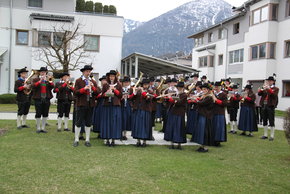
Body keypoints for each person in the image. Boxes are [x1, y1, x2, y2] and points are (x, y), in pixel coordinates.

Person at [73, 65, 99, 147]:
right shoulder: (78, 81)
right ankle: (76, 139)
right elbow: (75, 92)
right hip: (81, 103)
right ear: (83, 72)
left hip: (90, 104)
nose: (88, 73)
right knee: (79, 122)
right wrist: (84, 89)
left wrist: (93, 88)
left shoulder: (93, 82)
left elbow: (98, 92)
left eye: (89, 71)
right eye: (87, 71)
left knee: (88, 122)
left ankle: (87, 140)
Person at [100, 70, 123, 147]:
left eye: (113, 76)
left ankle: (113, 140)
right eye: (110, 76)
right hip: (107, 105)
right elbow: (102, 95)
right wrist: (107, 93)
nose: (111, 78)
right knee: (107, 122)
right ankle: (107, 139)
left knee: (114, 122)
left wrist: (114, 90)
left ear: (115, 77)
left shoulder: (119, 85)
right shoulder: (105, 85)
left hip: (115, 106)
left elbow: (120, 95)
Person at [130, 78, 155, 147]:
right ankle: (138, 141)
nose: (145, 86)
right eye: (144, 84)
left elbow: (148, 98)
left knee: (145, 126)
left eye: (146, 85)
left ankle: (144, 141)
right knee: (138, 125)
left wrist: (143, 92)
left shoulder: (150, 92)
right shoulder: (138, 91)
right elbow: (131, 98)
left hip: (145, 110)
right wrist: (135, 92)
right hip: (138, 109)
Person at [192, 83, 215, 153]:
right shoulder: (204, 96)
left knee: (205, 131)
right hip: (202, 114)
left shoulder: (209, 97)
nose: (203, 90)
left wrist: (195, 100)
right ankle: (201, 146)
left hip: (206, 116)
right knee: (201, 131)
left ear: (208, 90)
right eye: (203, 89)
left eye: (205, 89)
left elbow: (201, 103)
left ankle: (205, 147)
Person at [164, 81, 187, 150]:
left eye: (180, 88)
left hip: (179, 113)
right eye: (178, 87)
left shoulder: (184, 95)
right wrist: (167, 98)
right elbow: (171, 103)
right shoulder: (175, 94)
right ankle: (172, 143)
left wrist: (170, 98)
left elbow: (179, 103)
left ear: (183, 88)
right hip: (173, 112)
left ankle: (179, 144)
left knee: (179, 128)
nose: (179, 89)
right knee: (172, 127)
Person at [32, 67, 54, 133]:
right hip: (38, 98)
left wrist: (49, 80)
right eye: (42, 72)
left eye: (44, 72)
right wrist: (40, 81)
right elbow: (33, 86)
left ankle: (43, 128)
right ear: (40, 72)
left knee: (45, 113)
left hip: (46, 98)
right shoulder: (36, 79)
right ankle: (38, 128)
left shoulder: (48, 79)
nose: (43, 73)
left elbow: (52, 86)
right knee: (38, 113)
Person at [259, 76, 279, 141]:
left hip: (270, 106)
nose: (269, 82)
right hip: (264, 105)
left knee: (271, 120)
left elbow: (274, 96)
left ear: (273, 82)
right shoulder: (265, 88)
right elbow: (259, 94)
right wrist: (262, 88)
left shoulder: (276, 89)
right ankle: (265, 135)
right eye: (268, 81)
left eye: (270, 81)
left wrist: (269, 89)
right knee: (264, 120)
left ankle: (272, 136)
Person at [212, 81, 227, 146]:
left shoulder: (223, 94)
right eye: (215, 87)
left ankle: (218, 140)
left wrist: (216, 100)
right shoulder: (213, 93)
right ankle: (212, 139)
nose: (216, 88)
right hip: (213, 112)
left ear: (220, 87)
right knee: (213, 127)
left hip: (220, 112)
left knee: (219, 127)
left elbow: (224, 103)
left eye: (217, 87)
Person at [121, 76, 132, 140]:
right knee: (122, 119)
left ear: (129, 83)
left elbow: (133, 97)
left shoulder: (131, 89)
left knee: (127, 119)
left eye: (127, 82)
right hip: (122, 105)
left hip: (128, 105)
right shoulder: (121, 89)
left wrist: (128, 96)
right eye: (124, 82)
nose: (125, 83)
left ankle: (125, 134)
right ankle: (121, 133)